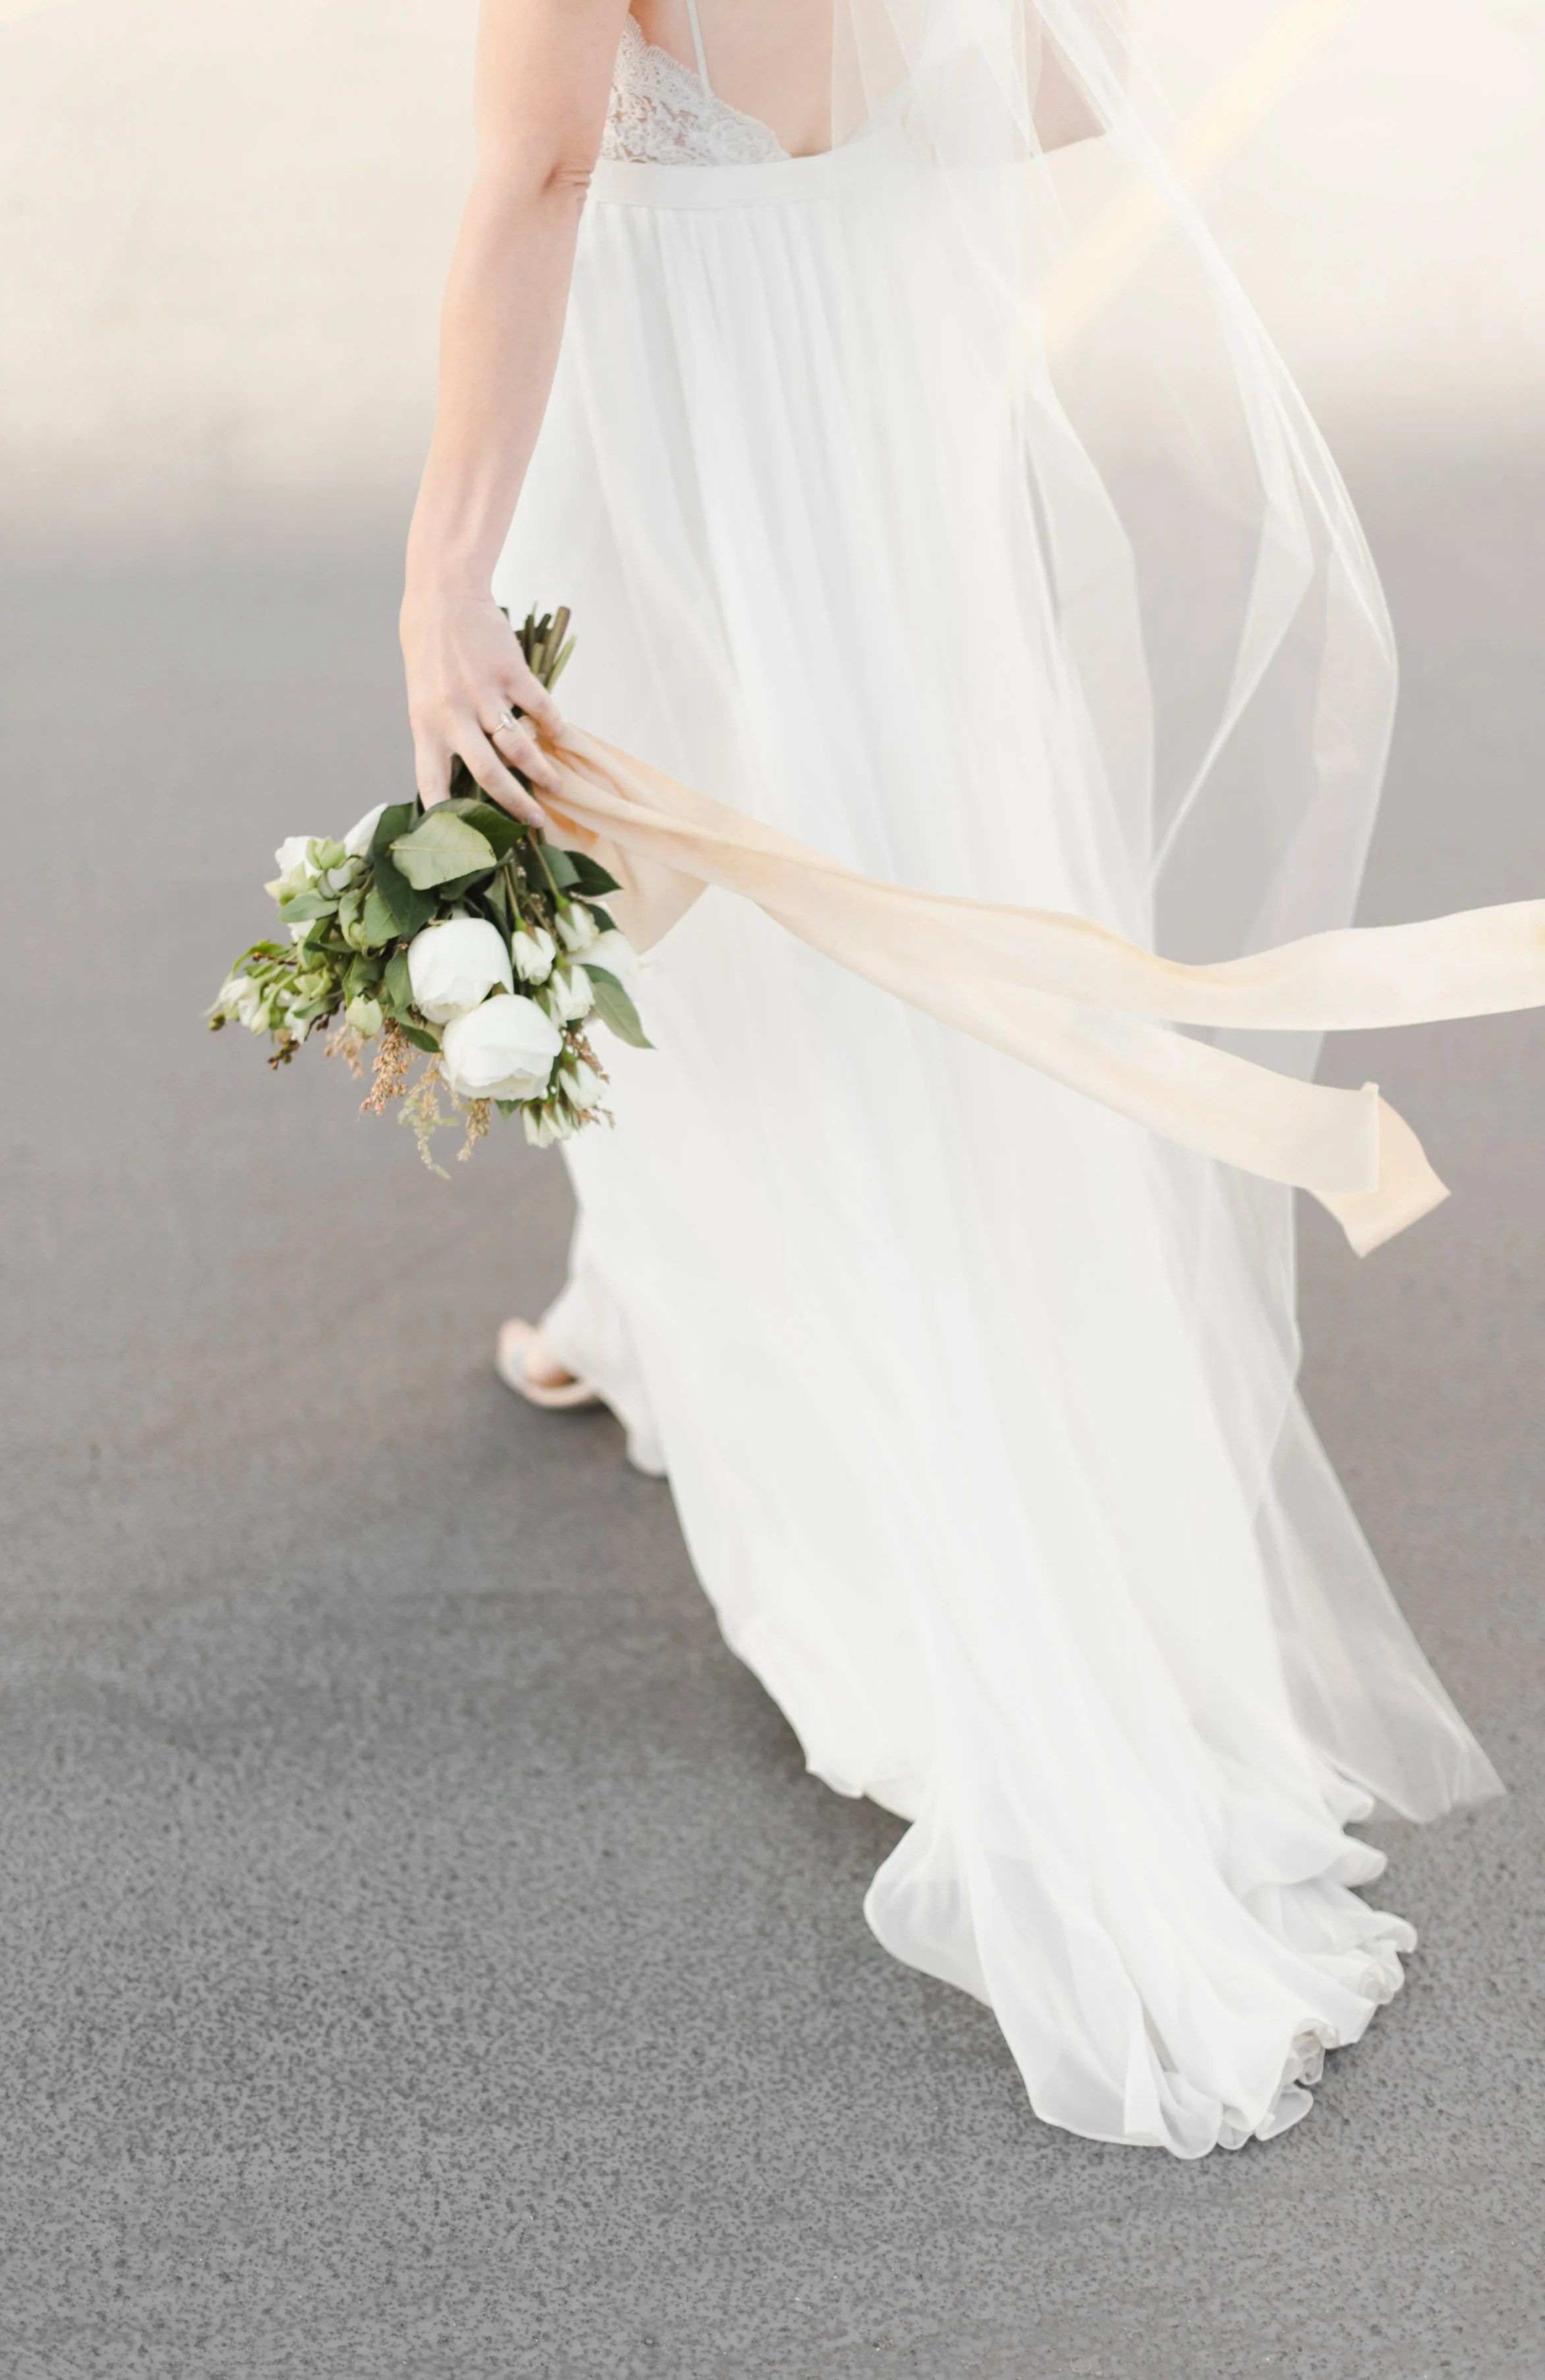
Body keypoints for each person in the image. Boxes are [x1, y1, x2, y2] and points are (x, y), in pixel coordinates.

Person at [398, 0, 1503, 2157]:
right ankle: (640, 1310)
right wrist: (848, 190)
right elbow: (1070, 77)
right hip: (871, 479)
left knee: (715, 957)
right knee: (874, 941)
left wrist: (442, 581)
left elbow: (534, 172)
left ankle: (881, 1464)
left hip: (686, 444)